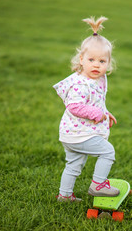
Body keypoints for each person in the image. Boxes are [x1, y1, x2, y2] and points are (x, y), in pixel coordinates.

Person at [53, 16, 119, 202]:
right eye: (91, 59)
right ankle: (98, 184)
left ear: (108, 62)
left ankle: (64, 196)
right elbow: (74, 106)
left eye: (102, 61)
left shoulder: (96, 79)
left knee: (73, 165)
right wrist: (98, 114)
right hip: (79, 133)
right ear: (81, 59)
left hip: (72, 133)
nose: (97, 65)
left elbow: (95, 102)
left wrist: (105, 112)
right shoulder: (81, 84)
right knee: (108, 152)